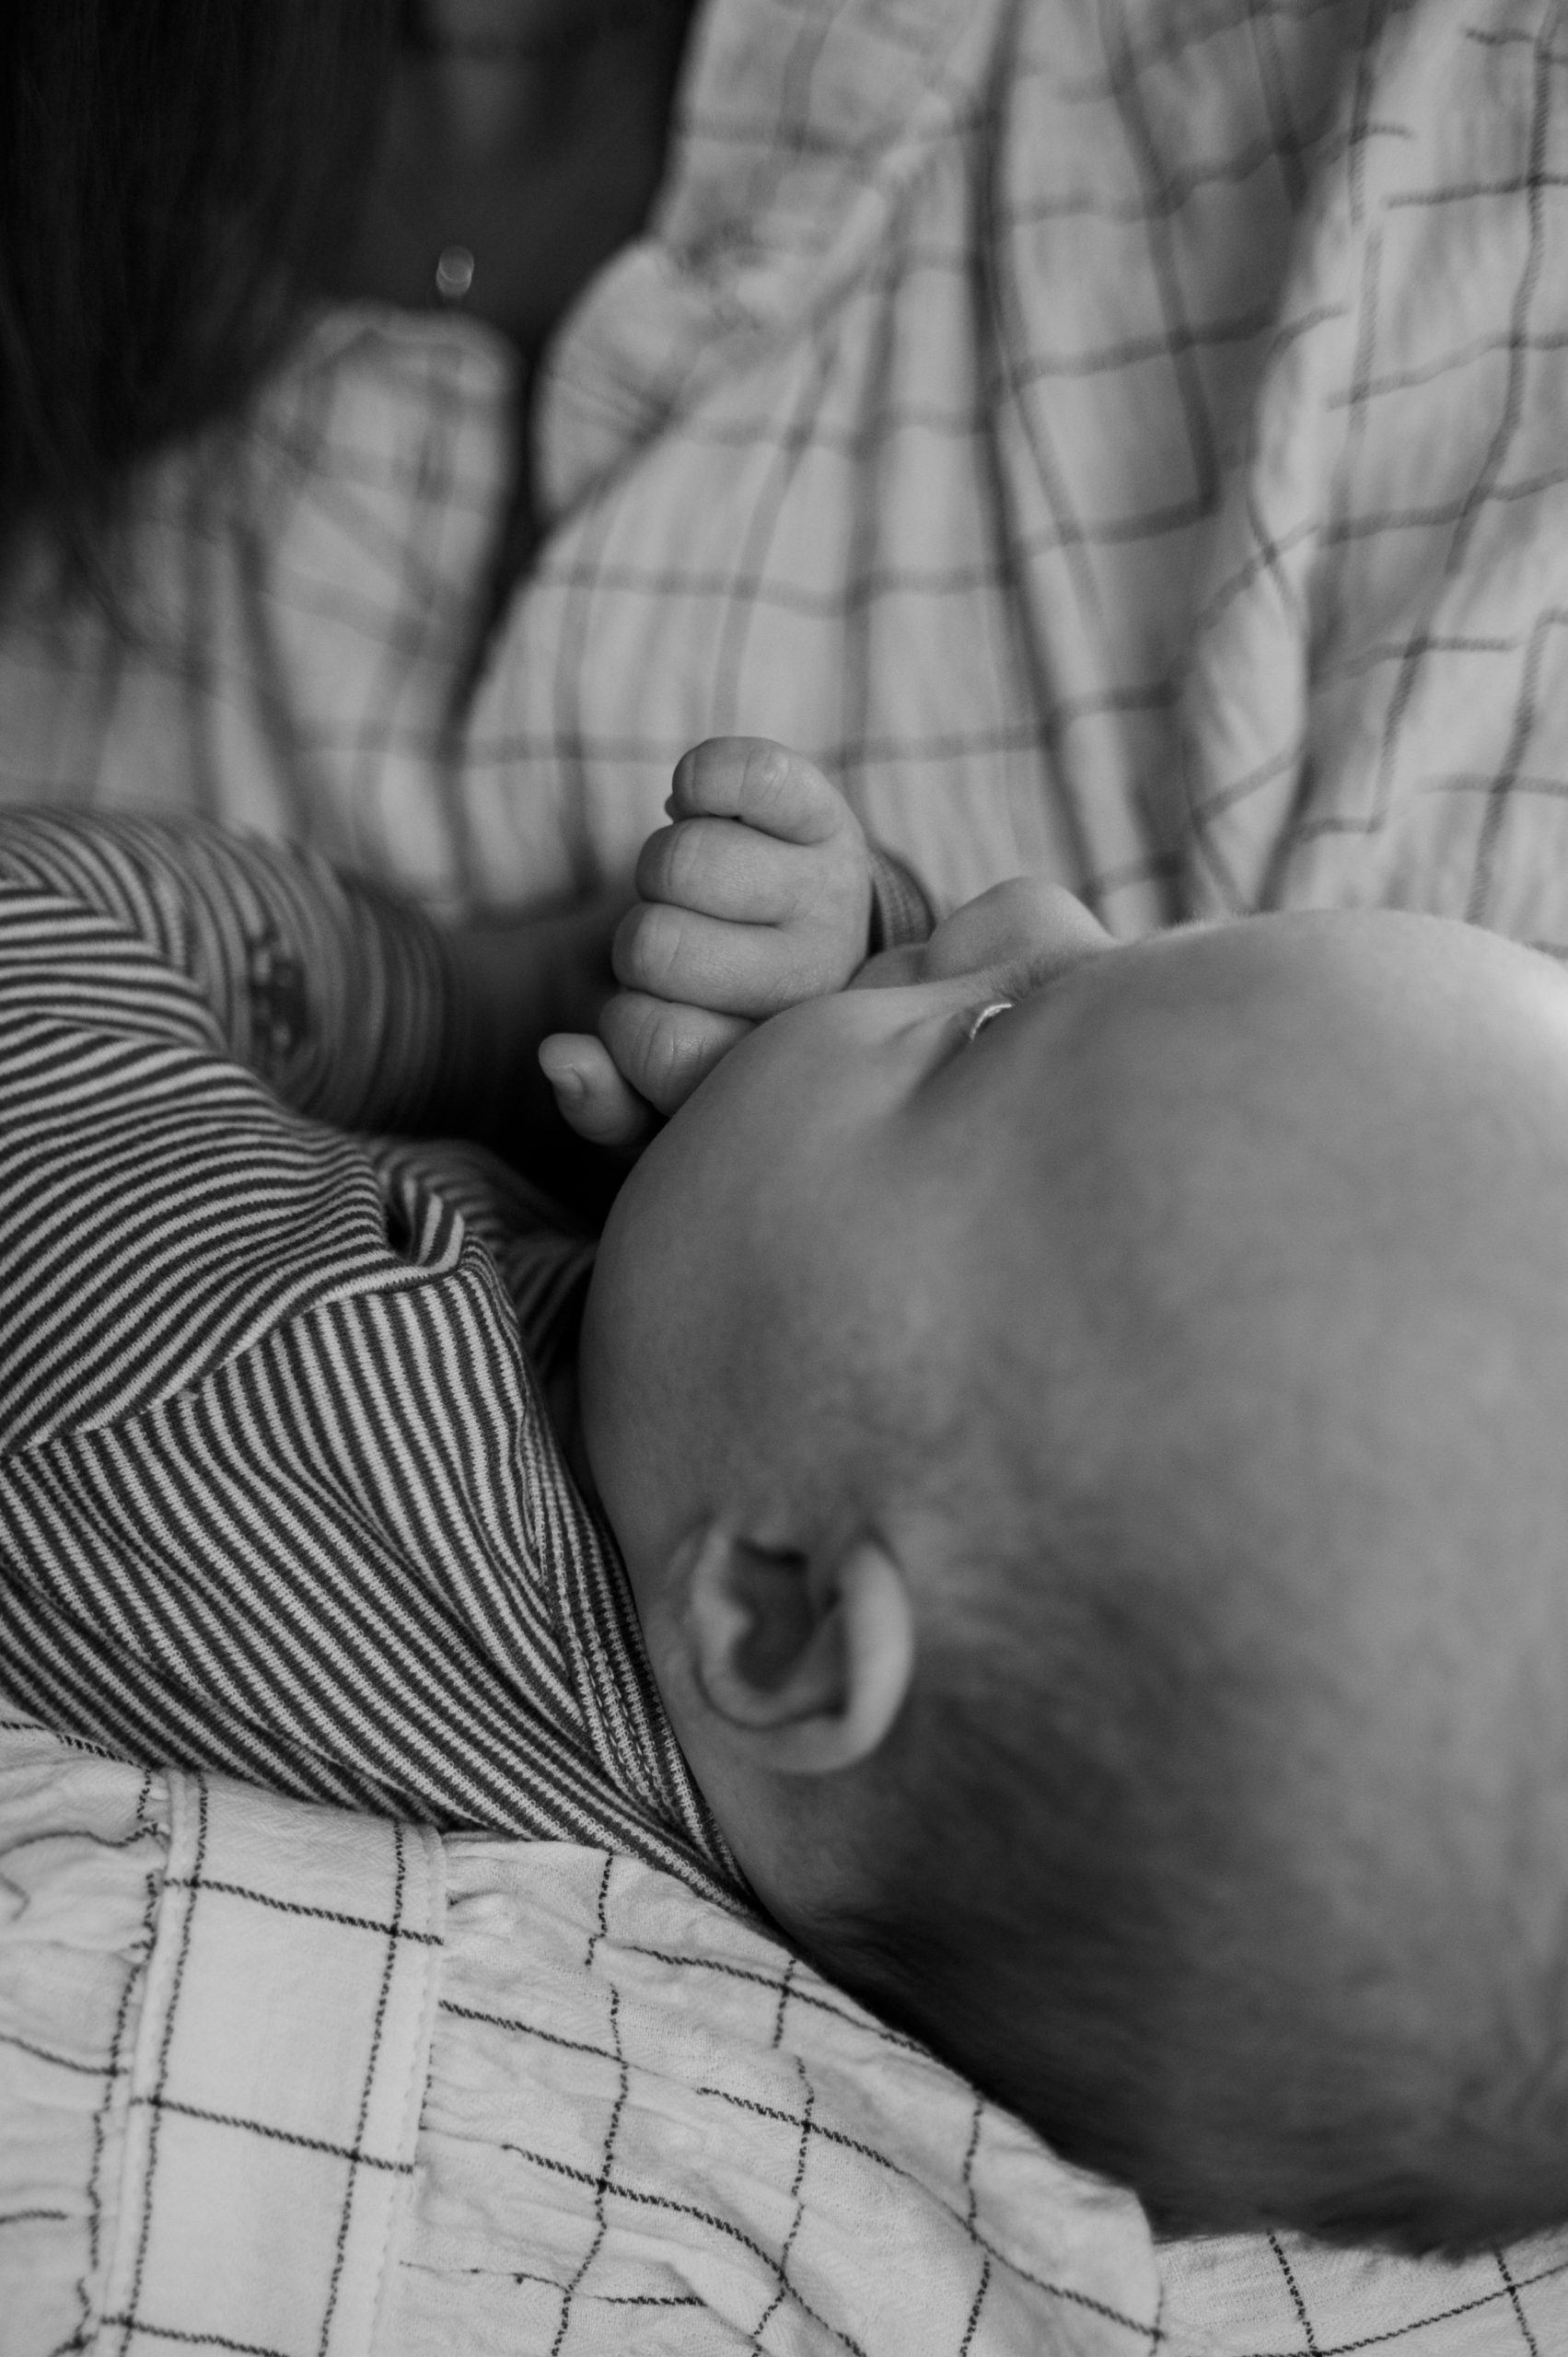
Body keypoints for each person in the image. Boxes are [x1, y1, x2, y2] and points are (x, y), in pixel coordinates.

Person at [6, 738, 1568, 2260]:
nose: (1022, 903)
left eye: (989, 1029)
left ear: (777, 1614)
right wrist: (810, 1046)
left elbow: (39, 940)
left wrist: (473, 999)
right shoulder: (852, 1867)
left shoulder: (279, 1381)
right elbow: (782, 1322)